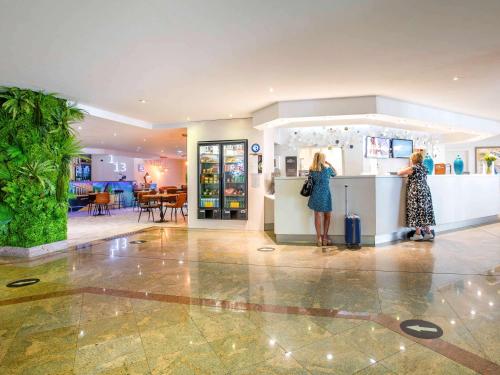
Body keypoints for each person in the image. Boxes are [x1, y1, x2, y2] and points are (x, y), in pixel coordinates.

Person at [398, 151, 436, 241]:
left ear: (413, 159)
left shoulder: (413, 168)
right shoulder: (424, 168)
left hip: (416, 191)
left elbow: (399, 172)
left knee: (415, 210)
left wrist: (409, 166)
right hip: (425, 191)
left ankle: (418, 233)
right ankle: (428, 232)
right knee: (424, 211)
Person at [308, 152, 337, 246]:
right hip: (325, 194)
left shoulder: (312, 169)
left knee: (317, 215)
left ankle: (318, 239)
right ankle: (325, 237)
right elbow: (335, 173)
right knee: (327, 216)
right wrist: (330, 164)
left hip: (315, 193)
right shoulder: (327, 169)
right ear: (322, 159)